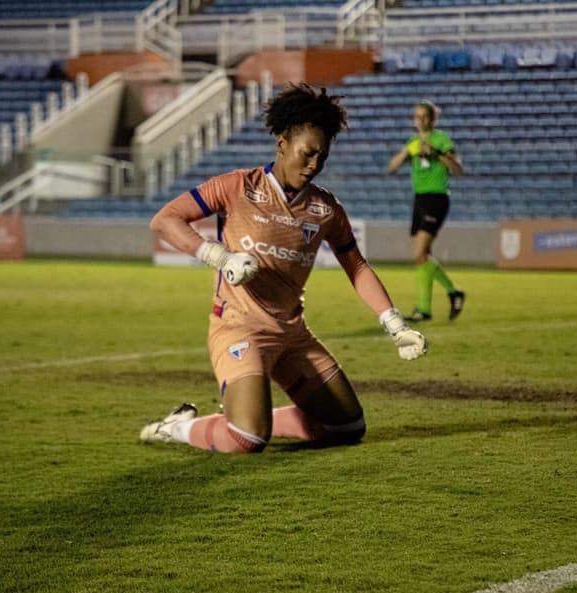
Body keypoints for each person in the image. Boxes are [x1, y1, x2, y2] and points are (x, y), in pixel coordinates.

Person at [141, 83, 427, 454]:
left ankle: (253, 413)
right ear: (281, 145)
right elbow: (165, 220)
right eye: (306, 154)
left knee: (347, 427)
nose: (314, 165)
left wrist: (393, 323)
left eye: (321, 157)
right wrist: (219, 257)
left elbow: (356, 266)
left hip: (293, 335)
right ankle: (178, 428)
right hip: (239, 327)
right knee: (247, 439)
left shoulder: (325, 209)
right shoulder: (237, 186)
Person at [387, 100, 465, 322]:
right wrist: (406, 153)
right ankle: (443, 298)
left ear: (432, 119)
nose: (420, 121)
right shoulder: (412, 142)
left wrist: (436, 153)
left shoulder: (441, 139)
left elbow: (457, 169)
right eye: (417, 117)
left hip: (437, 198)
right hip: (419, 200)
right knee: (423, 257)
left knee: (419, 254)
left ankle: (431, 304)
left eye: (424, 117)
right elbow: (391, 168)